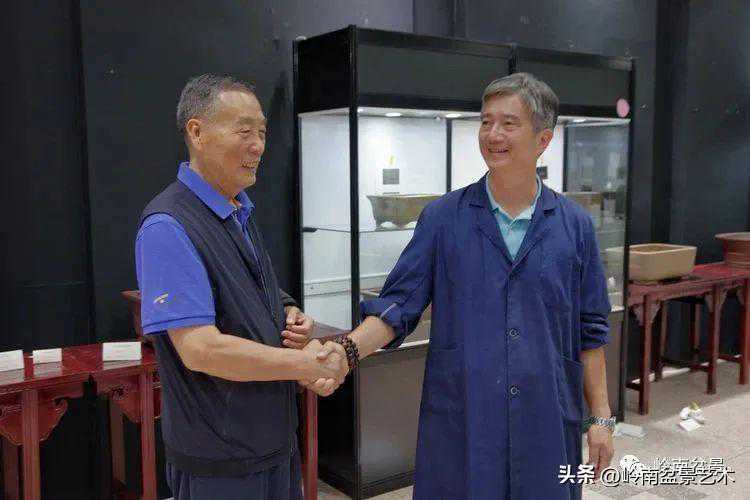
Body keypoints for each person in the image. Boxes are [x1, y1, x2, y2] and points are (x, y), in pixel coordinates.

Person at [332, 73, 615, 499]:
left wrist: (601, 418)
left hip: (546, 415)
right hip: (464, 414)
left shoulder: (574, 226)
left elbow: (591, 331)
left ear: (543, 139)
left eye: (508, 123)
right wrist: (347, 352)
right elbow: (398, 306)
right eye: (486, 122)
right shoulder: (443, 218)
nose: (492, 134)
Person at [135, 74, 348, 500]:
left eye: (262, 132)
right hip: (221, 463)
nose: (258, 146)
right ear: (197, 133)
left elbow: (249, 290)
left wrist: (289, 312)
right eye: (244, 131)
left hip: (273, 443)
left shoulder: (239, 211)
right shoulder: (167, 226)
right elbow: (201, 349)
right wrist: (304, 365)